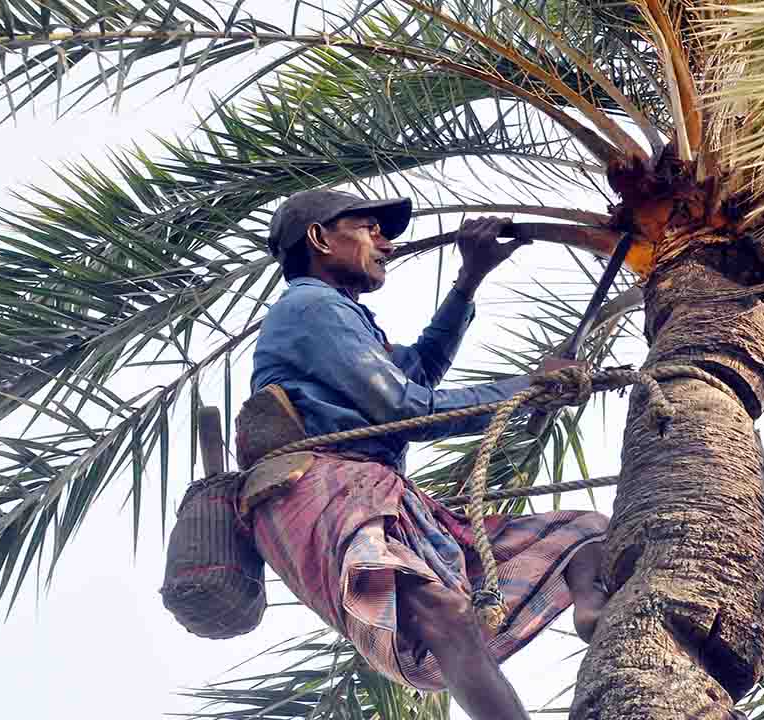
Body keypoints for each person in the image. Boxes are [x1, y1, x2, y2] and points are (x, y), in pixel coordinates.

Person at [247, 189, 609, 719]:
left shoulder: (340, 313)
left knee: (586, 533)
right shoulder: (311, 306)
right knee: (445, 613)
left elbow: (415, 372)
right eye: (370, 229)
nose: (386, 244)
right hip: (324, 486)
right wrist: (530, 386)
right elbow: (406, 407)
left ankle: (594, 611)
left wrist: (468, 280)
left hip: (370, 490)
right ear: (320, 239)